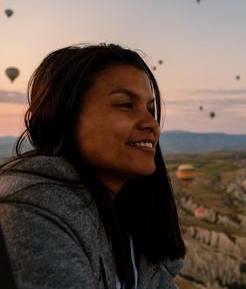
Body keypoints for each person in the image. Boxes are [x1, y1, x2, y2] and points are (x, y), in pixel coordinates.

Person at [0, 44, 186, 288]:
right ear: (64, 115)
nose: (152, 124)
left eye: (151, 109)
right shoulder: (30, 210)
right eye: (125, 105)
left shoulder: (132, 221)